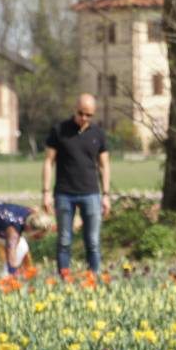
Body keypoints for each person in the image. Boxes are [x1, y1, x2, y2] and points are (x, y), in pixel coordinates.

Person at [42, 93, 111, 274]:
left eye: (89, 115)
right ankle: (64, 277)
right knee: (64, 240)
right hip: (64, 193)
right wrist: (46, 192)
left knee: (93, 241)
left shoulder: (98, 133)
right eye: (81, 113)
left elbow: (104, 165)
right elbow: (49, 162)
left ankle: (92, 278)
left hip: (91, 193)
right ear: (75, 109)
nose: (84, 118)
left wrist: (106, 195)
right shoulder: (59, 130)